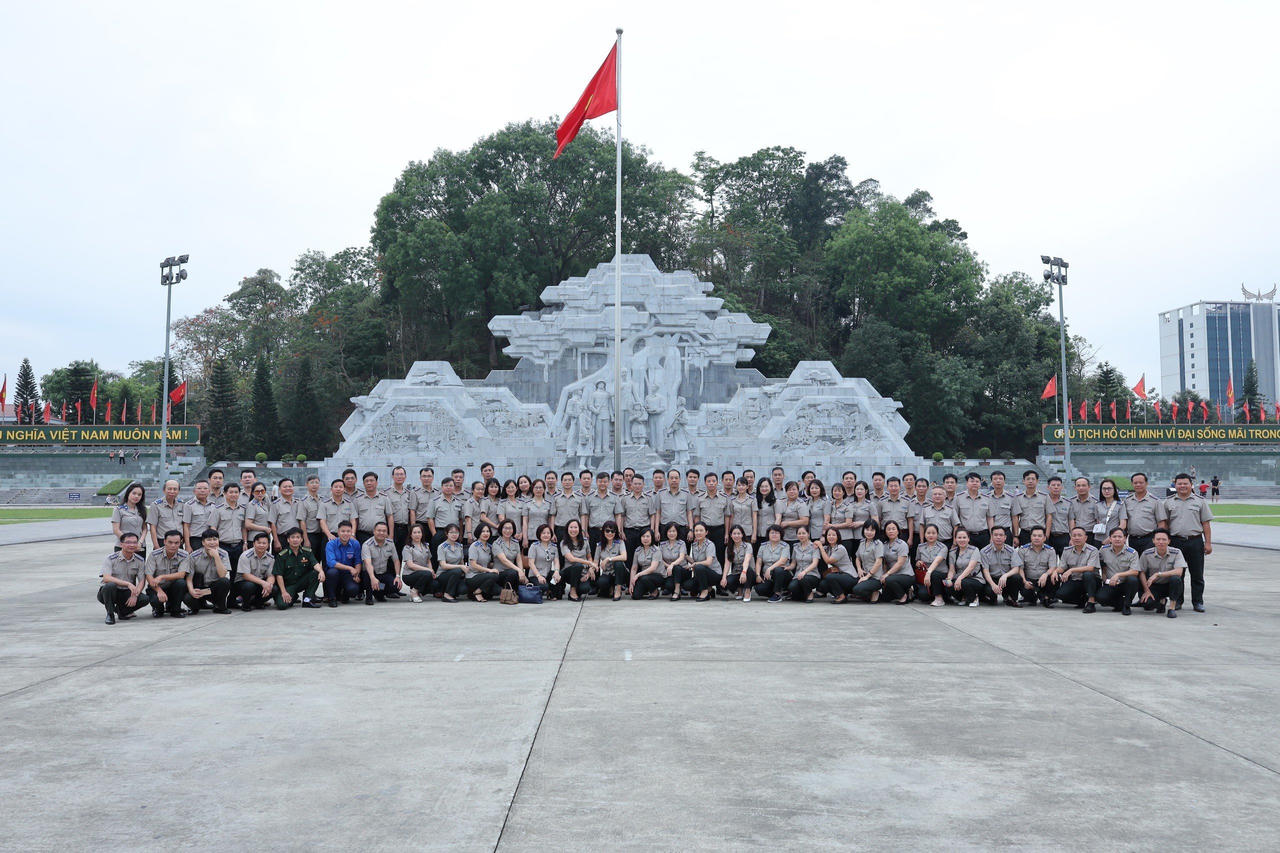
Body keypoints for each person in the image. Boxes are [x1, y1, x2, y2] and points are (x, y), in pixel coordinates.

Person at [1160, 472, 1213, 612]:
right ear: (1175, 485)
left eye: (1185, 483)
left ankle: (1198, 602)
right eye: (1179, 484)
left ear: (1191, 485)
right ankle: (1177, 601)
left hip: (1195, 541)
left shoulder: (1200, 501)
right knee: (1177, 574)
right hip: (1175, 542)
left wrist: (1208, 543)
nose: (1182, 486)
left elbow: (1206, 524)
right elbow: (1165, 524)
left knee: (1197, 574)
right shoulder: (1168, 502)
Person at [97, 533, 148, 624]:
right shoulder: (110, 558)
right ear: (121, 544)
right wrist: (127, 584)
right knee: (110, 586)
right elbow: (106, 578)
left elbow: (142, 581)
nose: (132, 545)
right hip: (110, 592)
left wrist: (135, 595)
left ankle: (122, 612)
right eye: (128, 542)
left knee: (145, 599)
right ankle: (110, 614)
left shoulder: (140, 560)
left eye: (134, 542)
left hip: (126, 592)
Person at [183, 529, 232, 614]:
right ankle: (196, 607)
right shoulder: (194, 556)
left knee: (225, 581)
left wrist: (216, 557)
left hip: (213, 589)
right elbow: (189, 578)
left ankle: (220, 607)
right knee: (187, 598)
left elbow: (222, 575)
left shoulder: (224, 554)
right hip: (199, 588)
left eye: (215, 539)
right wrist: (191, 591)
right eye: (209, 540)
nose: (212, 542)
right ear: (203, 542)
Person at [273, 527, 323, 609]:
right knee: (282, 605)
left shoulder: (307, 552)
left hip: (301, 582)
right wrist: (284, 592)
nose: (295, 540)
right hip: (288, 585)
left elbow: (315, 563)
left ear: (301, 539)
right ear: (288, 540)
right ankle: (293, 596)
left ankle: (307, 600)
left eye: (298, 537)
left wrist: (321, 571)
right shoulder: (282, 555)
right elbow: (279, 575)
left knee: (316, 573)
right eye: (292, 537)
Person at [1139, 530, 1185, 618]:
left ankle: (1171, 608)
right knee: (1147, 605)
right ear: (1153, 540)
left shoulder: (1176, 552)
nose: (1161, 542)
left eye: (1164, 539)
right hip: (1155, 585)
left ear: (1169, 541)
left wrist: (1158, 574)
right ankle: (1161, 602)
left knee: (1176, 578)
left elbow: (1179, 571)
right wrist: (1147, 590)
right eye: (1158, 539)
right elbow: (1141, 572)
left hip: (1170, 585)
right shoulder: (1146, 554)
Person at [1097, 526, 1141, 615]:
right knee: (1100, 598)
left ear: (1124, 539)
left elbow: (1135, 571)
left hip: (1125, 584)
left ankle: (1127, 605)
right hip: (1111, 583)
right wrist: (1104, 575)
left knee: (1133, 579)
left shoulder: (1132, 552)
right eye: (1114, 537)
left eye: (1120, 537)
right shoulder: (1103, 550)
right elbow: (1100, 563)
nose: (1117, 539)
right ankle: (1120, 604)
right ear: (1110, 539)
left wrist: (1118, 575)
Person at [144, 530, 188, 618]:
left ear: (180, 543)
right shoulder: (154, 555)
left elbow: (181, 574)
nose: (173, 545)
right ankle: (158, 609)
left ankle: (175, 610)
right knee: (157, 605)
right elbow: (149, 576)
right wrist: (159, 591)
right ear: (164, 542)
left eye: (176, 543)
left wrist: (162, 576)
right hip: (156, 586)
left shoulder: (184, 555)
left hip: (173, 587)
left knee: (181, 583)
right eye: (170, 542)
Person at [1058, 527, 1102, 613]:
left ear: (1085, 538)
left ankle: (1091, 602)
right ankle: (1082, 600)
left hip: (1092, 581)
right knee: (1061, 594)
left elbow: (1090, 568)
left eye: (1079, 535)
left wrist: (1071, 570)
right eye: (1074, 535)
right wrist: (1054, 572)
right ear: (1071, 537)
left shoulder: (1093, 550)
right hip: (1076, 580)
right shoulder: (1067, 550)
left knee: (1087, 574)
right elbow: (1062, 567)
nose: (1077, 538)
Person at [978, 526, 1024, 607]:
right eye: (995, 535)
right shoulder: (984, 551)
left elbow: (1016, 568)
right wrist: (993, 585)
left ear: (1005, 537)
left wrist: (1005, 575)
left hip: (1005, 579)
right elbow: (985, 571)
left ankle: (1011, 598)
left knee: (1017, 577)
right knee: (990, 593)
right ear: (991, 537)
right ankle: (992, 598)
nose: (998, 537)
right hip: (992, 579)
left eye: (1001, 535)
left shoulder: (1011, 550)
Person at [209, 483, 247, 582]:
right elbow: (213, 527)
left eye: (236, 492)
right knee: (221, 572)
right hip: (223, 545)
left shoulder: (243, 509)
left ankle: (234, 592)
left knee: (237, 573)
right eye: (231, 492)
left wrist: (245, 542)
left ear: (239, 494)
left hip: (238, 546)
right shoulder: (217, 509)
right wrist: (215, 545)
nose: (233, 494)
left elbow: (243, 528)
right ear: (225, 493)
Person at [322, 520, 363, 607]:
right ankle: (332, 598)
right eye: (343, 531)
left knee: (353, 590)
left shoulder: (355, 544)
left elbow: (358, 561)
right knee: (332, 572)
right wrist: (350, 568)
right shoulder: (331, 544)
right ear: (338, 532)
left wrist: (357, 574)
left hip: (348, 574)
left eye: (348, 531)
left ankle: (344, 595)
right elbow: (331, 563)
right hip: (335, 572)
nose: (345, 534)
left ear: (351, 532)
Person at [1017, 526, 1060, 608]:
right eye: (1034, 535)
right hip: (1029, 580)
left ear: (1044, 538)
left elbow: (1053, 567)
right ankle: (1031, 597)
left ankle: (1046, 597)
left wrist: (1046, 574)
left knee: (1055, 577)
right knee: (1018, 579)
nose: (1036, 538)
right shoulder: (1023, 550)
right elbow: (1020, 568)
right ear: (1031, 537)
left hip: (1043, 580)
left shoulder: (1050, 550)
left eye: (1040, 536)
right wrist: (1024, 581)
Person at [362, 521, 402, 604]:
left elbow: (396, 560)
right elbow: (368, 564)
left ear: (387, 532)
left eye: (384, 531)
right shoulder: (367, 545)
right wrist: (373, 578)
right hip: (369, 574)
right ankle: (369, 596)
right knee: (367, 576)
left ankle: (378, 592)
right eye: (379, 530)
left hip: (383, 573)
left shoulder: (390, 543)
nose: (381, 533)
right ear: (374, 531)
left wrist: (398, 576)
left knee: (395, 586)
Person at [234, 532, 276, 611]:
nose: (261, 545)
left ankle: (257, 603)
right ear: (254, 544)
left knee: (274, 588)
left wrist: (269, 585)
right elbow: (246, 575)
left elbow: (271, 575)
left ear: (268, 545)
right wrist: (263, 583)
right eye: (259, 543)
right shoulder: (246, 555)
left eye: (264, 543)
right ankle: (245, 604)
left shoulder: (271, 558)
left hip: (259, 583)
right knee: (249, 586)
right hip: (243, 582)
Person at [1123, 472, 1163, 556]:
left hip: (1149, 539)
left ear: (1146, 483)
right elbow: (1125, 521)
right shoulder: (1127, 501)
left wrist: (1159, 539)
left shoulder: (1155, 501)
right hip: (1132, 539)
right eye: (1135, 483)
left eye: (1141, 483)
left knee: (1148, 562)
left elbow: (1161, 523)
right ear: (1132, 484)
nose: (1138, 485)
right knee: (1134, 562)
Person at [428, 479, 464, 562]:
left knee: (454, 556)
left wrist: (460, 534)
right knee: (437, 557)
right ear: (442, 487)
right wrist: (434, 534)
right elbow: (430, 518)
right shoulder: (434, 501)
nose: (448, 487)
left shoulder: (458, 502)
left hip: (454, 533)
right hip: (440, 532)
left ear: (454, 487)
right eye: (446, 485)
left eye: (451, 486)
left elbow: (460, 520)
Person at [586, 473, 623, 554]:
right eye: (600, 481)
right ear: (596, 482)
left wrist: (618, 531)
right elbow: (586, 515)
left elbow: (618, 515)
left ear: (608, 482)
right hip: (594, 531)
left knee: (609, 554)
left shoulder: (614, 497)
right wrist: (585, 531)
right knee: (593, 554)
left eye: (605, 482)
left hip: (609, 532)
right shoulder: (589, 497)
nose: (602, 484)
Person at [817, 526, 857, 603]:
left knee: (829, 577)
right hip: (840, 575)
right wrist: (816, 544)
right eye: (829, 535)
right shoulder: (827, 548)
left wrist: (820, 546)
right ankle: (842, 593)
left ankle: (842, 597)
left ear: (838, 537)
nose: (831, 537)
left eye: (833, 535)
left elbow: (828, 561)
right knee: (823, 584)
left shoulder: (840, 548)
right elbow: (818, 549)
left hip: (850, 576)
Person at [947, 528, 985, 607]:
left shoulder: (974, 550)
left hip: (974, 579)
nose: (962, 540)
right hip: (960, 579)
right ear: (955, 539)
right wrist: (949, 579)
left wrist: (959, 578)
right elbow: (951, 570)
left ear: (968, 539)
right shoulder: (952, 552)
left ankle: (974, 598)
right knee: (947, 586)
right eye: (959, 538)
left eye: (964, 537)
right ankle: (963, 598)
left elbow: (970, 567)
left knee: (964, 582)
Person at [955, 472, 993, 550]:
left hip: (983, 535)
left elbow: (990, 518)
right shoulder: (958, 498)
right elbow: (956, 518)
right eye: (972, 481)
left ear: (980, 484)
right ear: (967, 483)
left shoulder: (987, 498)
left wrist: (992, 536)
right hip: (966, 536)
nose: (974, 483)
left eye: (977, 481)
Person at [559, 519, 594, 602]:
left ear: (579, 529)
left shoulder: (585, 541)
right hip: (569, 572)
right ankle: (572, 591)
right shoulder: (564, 543)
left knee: (585, 589)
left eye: (575, 527)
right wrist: (588, 563)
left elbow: (589, 557)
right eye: (571, 527)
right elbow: (571, 559)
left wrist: (590, 570)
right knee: (578, 565)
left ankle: (577, 590)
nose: (573, 530)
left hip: (582, 572)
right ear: (567, 529)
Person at [699, 473, 730, 568]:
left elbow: (727, 516)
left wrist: (726, 533)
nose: (711, 483)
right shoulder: (700, 498)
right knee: (704, 554)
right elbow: (697, 516)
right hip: (705, 531)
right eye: (709, 481)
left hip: (719, 530)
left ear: (717, 482)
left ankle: (720, 576)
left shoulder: (724, 497)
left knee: (720, 554)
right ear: (705, 483)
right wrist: (697, 532)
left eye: (713, 481)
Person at [755, 524, 792, 603]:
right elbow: (758, 562)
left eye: (777, 533)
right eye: (772, 533)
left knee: (778, 570)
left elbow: (782, 561)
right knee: (759, 589)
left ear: (781, 534)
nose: (774, 535)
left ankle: (777, 594)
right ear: (768, 534)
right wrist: (758, 574)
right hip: (768, 576)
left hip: (782, 574)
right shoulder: (763, 546)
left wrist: (769, 569)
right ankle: (779, 593)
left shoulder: (785, 546)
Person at [879, 521, 914, 604]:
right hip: (893, 576)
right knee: (885, 598)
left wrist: (887, 574)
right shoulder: (884, 545)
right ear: (885, 532)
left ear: (898, 531)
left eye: (893, 529)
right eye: (888, 529)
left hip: (906, 575)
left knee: (888, 580)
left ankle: (903, 597)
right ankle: (907, 591)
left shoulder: (902, 544)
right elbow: (885, 562)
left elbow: (900, 563)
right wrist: (883, 574)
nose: (891, 531)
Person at [917, 524, 951, 607]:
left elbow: (937, 562)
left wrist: (928, 573)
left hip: (940, 575)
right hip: (926, 576)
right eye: (928, 533)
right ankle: (934, 594)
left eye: (933, 533)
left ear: (937, 534)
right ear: (924, 534)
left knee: (934, 574)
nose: (931, 535)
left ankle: (939, 598)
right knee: (923, 595)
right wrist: (918, 563)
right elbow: (917, 560)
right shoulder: (920, 547)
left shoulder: (943, 547)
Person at [686, 521, 722, 601]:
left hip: (714, 573)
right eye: (696, 531)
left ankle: (705, 592)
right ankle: (710, 590)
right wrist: (685, 556)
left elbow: (708, 562)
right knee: (687, 585)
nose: (698, 533)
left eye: (701, 530)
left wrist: (695, 564)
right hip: (701, 572)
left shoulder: (710, 544)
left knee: (699, 567)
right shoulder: (694, 545)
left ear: (706, 532)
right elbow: (695, 561)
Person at [594, 521, 629, 600]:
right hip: (608, 573)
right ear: (603, 532)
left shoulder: (620, 542)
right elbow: (595, 562)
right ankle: (611, 588)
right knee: (601, 583)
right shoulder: (599, 545)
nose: (610, 533)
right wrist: (591, 569)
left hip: (620, 573)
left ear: (615, 532)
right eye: (607, 531)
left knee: (618, 563)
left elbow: (624, 557)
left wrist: (608, 559)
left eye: (612, 531)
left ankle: (618, 589)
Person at [355, 473, 394, 545]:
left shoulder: (384, 498)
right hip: (362, 534)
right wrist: (353, 534)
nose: (369, 483)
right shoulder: (358, 499)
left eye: (371, 480)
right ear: (363, 483)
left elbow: (389, 516)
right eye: (366, 481)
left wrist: (391, 535)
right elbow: (355, 519)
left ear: (376, 483)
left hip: (381, 534)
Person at [401, 523, 436, 603]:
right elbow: (410, 565)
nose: (417, 535)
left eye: (419, 532)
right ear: (411, 535)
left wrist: (431, 570)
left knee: (435, 584)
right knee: (426, 574)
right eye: (414, 532)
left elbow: (428, 560)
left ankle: (417, 592)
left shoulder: (426, 546)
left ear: (422, 534)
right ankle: (414, 591)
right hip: (409, 575)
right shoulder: (407, 548)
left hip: (423, 573)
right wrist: (428, 570)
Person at [621, 474, 654, 557]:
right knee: (629, 555)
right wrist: (621, 531)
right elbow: (622, 516)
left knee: (644, 555)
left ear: (643, 484)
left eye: (639, 484)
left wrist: (652, 530)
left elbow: (652, 515)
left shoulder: (648, 498)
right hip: (629, 531)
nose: (637, 486)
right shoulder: (625, 498)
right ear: (631, 484)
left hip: (644, 531)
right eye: (635, 484)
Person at [850, 521, 884, 603]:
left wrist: (867, 576)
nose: (869, 532)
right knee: (849, 585)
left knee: (857, 589)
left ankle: (876, 590)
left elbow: (878, 562)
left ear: (876, 531)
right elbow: (857, 558)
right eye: (867, 529)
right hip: (864, 575)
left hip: (875, 577)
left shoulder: (878, 544)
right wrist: (859, 569)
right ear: (863, 530)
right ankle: (869, 593)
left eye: (872, 530)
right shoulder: (862, 542)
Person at [466, 523, 501, 602]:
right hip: (473, 576)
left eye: (487, 531)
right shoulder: (474, 546)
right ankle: (477, 592)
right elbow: (473, 564)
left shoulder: (489, 547)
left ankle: (474, 592)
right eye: (483, 531)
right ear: (478, 533)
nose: (486, 533)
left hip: (484, 576)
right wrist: (489, 570)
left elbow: (489, 563)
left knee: (497, 591)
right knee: (494, 575)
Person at [721, 524, 756, 601]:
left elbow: (746, 561)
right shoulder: (729, 548)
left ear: (742, 535)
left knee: (748, 570)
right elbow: (727, 564)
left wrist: (744, 572)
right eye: (734, 534)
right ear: (731, 535)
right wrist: (723, 578)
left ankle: (747, 591)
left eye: (738, 534)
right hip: (737, 572)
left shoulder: (748, 546)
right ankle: (740, 589)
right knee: (727, 582)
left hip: (749, 572)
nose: (736, 536)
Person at [1068, 477, 1105, 548]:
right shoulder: (1071, 502)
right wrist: (1072, 537)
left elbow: (1098, 521)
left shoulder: (1096, 502)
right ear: (1075, 487)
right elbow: (1071, 520)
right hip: (1076, 535)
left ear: (1089, 487)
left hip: (1091, 534)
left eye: (1083, 485)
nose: (1081, 488)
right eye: (1078, 485)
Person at [1016, 471, 1052, 547]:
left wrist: (1046, 535)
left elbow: (1049, 516)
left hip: (1040, 534)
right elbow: (1016, 517)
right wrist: (1016, 535)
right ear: (1023, 481)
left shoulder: (1045, 497)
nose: (1030, 481)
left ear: (1037, 481)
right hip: (1025, 533)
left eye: (1033, 479)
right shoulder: (1018, 498)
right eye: (1028, 479)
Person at [434, 524, 467, 603]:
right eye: (451, 532)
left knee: (464, 589)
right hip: (443, 575)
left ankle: (450, 591)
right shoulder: (442, 547)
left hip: (456, 574)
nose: (454, 535)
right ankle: (447, 595)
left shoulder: (460, 546)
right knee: (457, 571)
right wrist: (460, 567)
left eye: (456, 533)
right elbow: (443, 565)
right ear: (446, 534)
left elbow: (461, 562)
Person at [111, 483, 148, 555]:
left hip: (139, 547)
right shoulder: (118, 509)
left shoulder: (143, 510)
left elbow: (145, 529)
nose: (136, 496)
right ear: (128, 493)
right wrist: (129, 543)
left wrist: (140, 542)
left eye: (139, 494)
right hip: (123, 546)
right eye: (134, 493)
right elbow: (116, 530)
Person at [629, 527, 665, 600]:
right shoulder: (638, 550)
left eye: (648, 536)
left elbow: (653, 568)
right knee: (635, 596)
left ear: (652, 538)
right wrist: (631, 584)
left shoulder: (656, 550)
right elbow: (634, 568)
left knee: (644, 578)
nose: (645, 539)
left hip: (658, 575)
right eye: (643, 536)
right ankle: (647, 589)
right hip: (644, 577)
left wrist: (638, 575)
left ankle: (654, 591)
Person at [148, 479, 183, 551]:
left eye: (175, 489)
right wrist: (156, 545)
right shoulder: (156, 505)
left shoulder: (182, 504)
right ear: (164, 490)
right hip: (163, 541)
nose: (172, 491)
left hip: (178, 542)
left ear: (178, 491)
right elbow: (153, 527)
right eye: (169, 489)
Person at [385, 466, 415, 551]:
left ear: (405, 476)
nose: (399, 476)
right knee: (391, 553)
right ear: (392, 476)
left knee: (405, 552)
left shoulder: (409, 493)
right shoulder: (386, 493)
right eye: (397, 474)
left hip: (405, 528)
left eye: (401, 474)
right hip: (392, 528)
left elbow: (411, 511)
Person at [658, 470, 693, 544]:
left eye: (676, 478)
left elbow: (689, 513)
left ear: (680, 479)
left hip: (681, 528)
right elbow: (658, 513)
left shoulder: (686, 494)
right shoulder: (661, 493)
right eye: (671, 478)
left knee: (683, 549)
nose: (674, 480)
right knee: (665, 549)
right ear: (667, 479)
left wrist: (691, 530)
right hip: (665, 528)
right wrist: (656, 530)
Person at [319, 479, 357, 545]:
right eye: (336, 487)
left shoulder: (349, 504)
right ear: (331, 489)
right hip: (329, 536)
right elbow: (322, 521)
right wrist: (329, 535)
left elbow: (353, 520)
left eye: (340, 487)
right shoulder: (324, 504)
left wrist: (352, 534)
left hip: (346, 536)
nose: (338, 489)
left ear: (344, 489)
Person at [876, 477, 913, 545]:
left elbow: (910, 520)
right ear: (887, 488)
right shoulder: (881, 502)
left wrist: (910, 538)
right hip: (885, 533)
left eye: (896, 486)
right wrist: (878, 536)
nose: (893, 488)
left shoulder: (907, 502)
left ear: (900, 487)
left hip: (902, 533)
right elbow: (879, 520)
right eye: (891, 486)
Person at [493, 519, 526, 594]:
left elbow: (518, 560)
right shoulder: (496, 543)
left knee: (524, 581)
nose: (507, 531)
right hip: (500, 573)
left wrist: (522, 573)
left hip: (513, 572)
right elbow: (504, 560)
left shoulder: (515, 542)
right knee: (512, 573)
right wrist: (519, 570)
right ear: (501, 529)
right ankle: (508, 594)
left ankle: (514, 594)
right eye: (505, 528)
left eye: (510, 528)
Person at [298, 475, 326, 564]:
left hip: (322, 535)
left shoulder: (323, 500)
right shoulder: (303, 501)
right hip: (310, 535)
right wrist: (306, 539)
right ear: (307, 484)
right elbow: (302, 521)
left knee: (320, 559)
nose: (314, 485)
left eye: (316, 482)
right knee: (309, 561)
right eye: (312, 483)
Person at [986, 471, 1020, 544]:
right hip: (989, 532)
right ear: (991, 482)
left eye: (1000, 479)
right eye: (995, 479)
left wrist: (1015, 535)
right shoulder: (986, 497)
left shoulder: (1011, 497)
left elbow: (1014, 517)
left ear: (1004, 481)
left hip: (1005, 532)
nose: (998, 481)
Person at [182, 479, 215, 552]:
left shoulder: (213, 505)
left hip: (210, 539)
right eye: (199, 488)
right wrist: (187, 545)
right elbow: (186, 526)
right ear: (194, 491)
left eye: (205, 488)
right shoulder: (189, 505)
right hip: (195, 540)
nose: (202, 490)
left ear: (209, 491)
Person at [660, 522, 691, 601]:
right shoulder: (662, 544)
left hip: (682, 571)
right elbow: (660, 559)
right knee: (669, 586)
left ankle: (677, 591)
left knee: (677, 568)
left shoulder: (682, 543)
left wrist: (672, 565)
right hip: (669, 572)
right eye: (669, 531)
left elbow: (681, 557)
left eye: (674, 531)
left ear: (677, 532)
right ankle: (675, 587)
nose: (672, 533)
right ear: (666, 532)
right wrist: (668, 566)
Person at [270, 478, 302, 552]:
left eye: (290, 486)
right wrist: (276, 541)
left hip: (297, 539)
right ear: (279, 489)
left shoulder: (299, 503)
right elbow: (272, 523)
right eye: (285, 487)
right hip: (282, 539)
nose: (288, 488)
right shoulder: (275, 504)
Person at [525, 524, 558, 595]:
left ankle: (551, 592)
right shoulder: (534, 546)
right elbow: (531, 563)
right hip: (535, 575)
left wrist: (557, 572)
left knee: (559, 576)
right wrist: (538, 576)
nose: (546, 535)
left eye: (548, 533)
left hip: (547, 574)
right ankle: (548, 590)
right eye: (543, 533)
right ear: (539, 534)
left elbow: (556, 561)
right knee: (544, 587)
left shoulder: (554, 547)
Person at [524, 479, 556, 551]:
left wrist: (552, 533)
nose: (538, 490)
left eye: (540, 487)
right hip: (531, 535)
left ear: (544, 489)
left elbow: (551, 521)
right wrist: (525, 538)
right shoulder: (527, 504)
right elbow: (525, 522)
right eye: (536, 488)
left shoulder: (549, 503)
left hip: (545, 535)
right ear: (532, 489)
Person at [777, 481, 810, 546]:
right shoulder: (782, 502)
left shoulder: (801, 504)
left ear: (798, 490)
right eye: (789, 490)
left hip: (795, 537)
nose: (791, 492)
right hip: (782, 536)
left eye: (794, 489)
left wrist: (788, 523)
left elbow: (805, 521)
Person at [244, 482, 273, 553]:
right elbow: (248, 524)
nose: (260, 493)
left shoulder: (264, 504)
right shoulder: (251, 505)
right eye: (257, 492)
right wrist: (265, 528)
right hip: (255, 540)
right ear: (253, 493)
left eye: (262, 491)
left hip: (264, 539)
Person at [556, 472, 584, 544]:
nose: (567, 482)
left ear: (573, 482)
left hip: (574, 530)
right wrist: (552, 532)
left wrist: (583, 530)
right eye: (565, 480)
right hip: (560, 529)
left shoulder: (580, 497)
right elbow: (552, 515)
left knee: (575, 548)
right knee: (560, 549)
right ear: (561, 482)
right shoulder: (556, 497)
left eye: (569, 480)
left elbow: (583, 515)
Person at [1046, 476, 1072, 555]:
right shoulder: (1043, 501)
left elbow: (1071, 520)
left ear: (1062, 487)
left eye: (1058, 485)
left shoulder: (1068, 503)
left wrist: (1072, 536)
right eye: (1053, 485)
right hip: (1048, 536)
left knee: (1066, 560)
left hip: (1063, 536)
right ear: (1048, 487)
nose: (1056, 487)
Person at [729, 477, 758, 547]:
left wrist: (754, 533)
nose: (741, 487)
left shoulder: (752, 500)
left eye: (743, 485)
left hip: (748, 532)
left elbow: (754, 517)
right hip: (735, 532)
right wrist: (730, 532)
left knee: (748, 550)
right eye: (739, 485)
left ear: (747, 487)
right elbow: (731, 517)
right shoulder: (732, 500)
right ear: (736, 487)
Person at [805, 478, 830, 545]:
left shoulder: (825, 502)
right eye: (812, 488)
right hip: (809, 533)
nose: (814, 490)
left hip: (820, 533)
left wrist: (823, 534)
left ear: (821, 489)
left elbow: (827, 519)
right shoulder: (808, 501)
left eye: (816, 488)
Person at [754, 479, 777, 548]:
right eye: (762, 486)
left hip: (769, 534)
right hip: (757, 534)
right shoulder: (755, 501)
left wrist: (774, 533)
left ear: (770, 487)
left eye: (766, 486)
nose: (764, 489)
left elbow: (778, 518)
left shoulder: (775, 501)